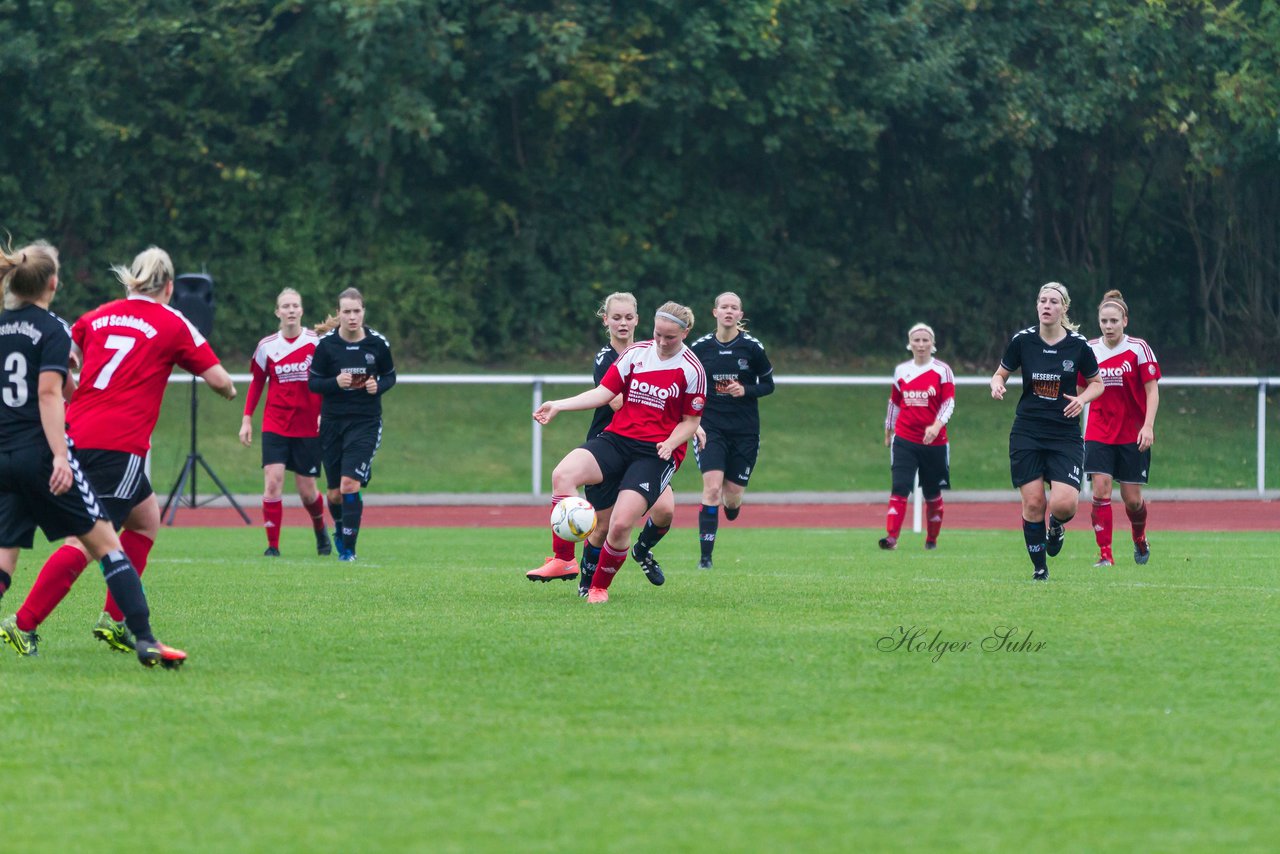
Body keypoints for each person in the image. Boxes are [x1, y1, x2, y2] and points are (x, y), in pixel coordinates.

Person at [0, 241, 191, 667]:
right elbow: (52, 394)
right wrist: (61, 457)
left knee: (6, 561)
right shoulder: (52, 328)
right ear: (53, 282)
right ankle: (141, 637)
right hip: (43, 453)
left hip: (5, 454)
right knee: (101, 545)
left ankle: (112, 620)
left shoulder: (4, 326)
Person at [531, 302, 706, 603]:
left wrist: (672, 441)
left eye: (670, 338)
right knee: (563, 474)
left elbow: (692, 422)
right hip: (618, 439)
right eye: (658, 335)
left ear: (685, 332)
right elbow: (604, 393)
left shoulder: (692, 369)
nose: (662, 343)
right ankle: (564, 559)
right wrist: (559, 404)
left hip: (655, 453)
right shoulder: (635, 354)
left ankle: (599, 587)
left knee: (621, 523)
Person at [990, 282, 1104, 581]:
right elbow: (1001, 373)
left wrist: (1081, 399)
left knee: (1064, 504)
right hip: (1027, 431)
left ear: (1064, 308)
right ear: (1037, 305)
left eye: (1054, 302)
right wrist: (997, 384)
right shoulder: (1022, 341)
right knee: (1034, 503)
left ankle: (1056, 527)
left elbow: (1097, 383)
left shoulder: (1078, 345)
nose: (1047, 306)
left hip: (1064, 435)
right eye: (1042, 301)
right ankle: (1040, 569)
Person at [239, 288, 331, 557]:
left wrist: (323, 412)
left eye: (295, 306)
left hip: (308, 427)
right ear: (277, 312)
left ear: (301, 311)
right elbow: (257, 383)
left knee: (307, 492)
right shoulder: (267, 346)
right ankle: (273, 547)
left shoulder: (316, 343)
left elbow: (326, 380)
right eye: (285, 306)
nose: (290, 310)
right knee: (273, 481)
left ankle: (319, 527)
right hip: (276, 423)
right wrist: (247, 419)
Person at [308, 288, 395, 562]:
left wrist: (377, 386)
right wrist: (335, 382)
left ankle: (349, 550)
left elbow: (390, 377)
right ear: (339, 314)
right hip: (333, 424)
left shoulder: (378, 344)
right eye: (347, 311)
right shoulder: (326, 346)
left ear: (363, 312)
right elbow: (313, 383)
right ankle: (339, 528)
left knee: (349, 484)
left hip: (365, 423)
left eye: (357, 311)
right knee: (334, 493)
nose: (352, 316)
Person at [689, 292, 774, 569]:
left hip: (745, 431)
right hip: (710, 428)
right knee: (712, 488)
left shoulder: (752, 348)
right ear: (715, 312)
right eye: (724, 307)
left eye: (734, 308)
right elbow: (685, 382)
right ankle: (705, 558)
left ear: (740, 314)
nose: (728, 311)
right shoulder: (700, 348)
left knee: (732, 496)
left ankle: (733, 507)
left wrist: (746, 389)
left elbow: (768, 385)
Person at [1083, 289, 1160, 567]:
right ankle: (1105, 556)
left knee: (1132, 500)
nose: (1108, 326)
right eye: (1104, 321)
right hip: (1099, 431)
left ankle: (1139, 537)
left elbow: (1152, 391)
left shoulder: (1139, 348)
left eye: (1114, 320)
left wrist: (1148, 426)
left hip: (1132, 433)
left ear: (1125, 320)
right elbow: (1082, 387)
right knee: (1100, 491)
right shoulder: (1090, 349)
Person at [879, 323, 955, 551]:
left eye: (925, 340)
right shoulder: (902, 371)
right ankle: (891, 538)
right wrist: (888, 429)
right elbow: (894, 402)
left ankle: (931, 540)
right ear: (909, 344)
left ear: (932, 344)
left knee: (932, 493)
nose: (921, 345)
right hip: (904, 439)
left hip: (934, 442)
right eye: (916, 340)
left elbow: (948, 402)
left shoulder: (942, 370)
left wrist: (937, 425)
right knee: (899, 487)